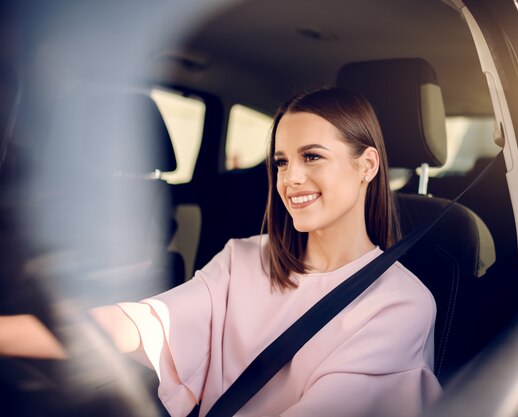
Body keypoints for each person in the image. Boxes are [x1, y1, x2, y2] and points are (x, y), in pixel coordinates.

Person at [0, 87, 441, 416]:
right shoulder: (246, 259)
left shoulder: (400, 304)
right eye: (282, 162)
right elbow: (139, 324)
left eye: (312, 157)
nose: (289, 179)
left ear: (366, 165)